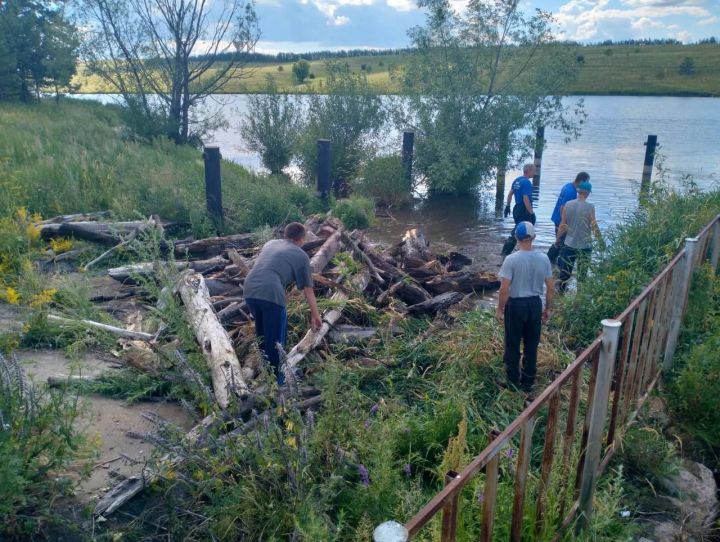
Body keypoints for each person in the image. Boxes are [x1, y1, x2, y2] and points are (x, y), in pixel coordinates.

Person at [243, 222, 322, 384]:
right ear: (301, 239)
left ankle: (267, 371)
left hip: (249, 289)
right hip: (271, 292)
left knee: (263, 334)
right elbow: (308, 290)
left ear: (285, 235)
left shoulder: (270, 243)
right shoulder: (301, 255)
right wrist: (316, 315)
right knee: (277, 340)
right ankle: (278, 382)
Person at [496, 221, 554, 393]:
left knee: (512, 343)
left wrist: (500, 310)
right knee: (531, 343)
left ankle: (513, 381)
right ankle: (528, 382)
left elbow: (504, 289)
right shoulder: (544, 259)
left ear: (516, 238)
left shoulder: (511, 260)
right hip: (535, 304)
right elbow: (551, 288)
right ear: (533, 237)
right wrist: (548, 308)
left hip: (516, 305)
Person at [556, 180, 602, 292]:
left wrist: (557, 240)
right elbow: (594, 225)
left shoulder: (568, 204)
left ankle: (560, 298)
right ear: (587, 193)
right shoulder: (590, 207)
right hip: (585, 246)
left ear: (578, 191)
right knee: (582, 276)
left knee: (564, 273)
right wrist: (600, 241)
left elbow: (562, 225)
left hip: (569, 244)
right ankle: (579, 300)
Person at [547, 171, 590, 264]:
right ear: (582, 181)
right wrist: (566, 224)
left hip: (556, 218)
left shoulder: (567, 186)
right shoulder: (571, 192)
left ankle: (551, 262)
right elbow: (563, 208)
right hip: (562, 221)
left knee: (559, 243)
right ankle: (558, 267)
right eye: (586, 182)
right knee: (564, 246)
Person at [501, 163, 536, 256]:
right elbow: (526, 199)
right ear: (528, 171)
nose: (534, 173)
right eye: (534, 171)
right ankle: (506, 252)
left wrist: (507, 206)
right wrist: (531, 213)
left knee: (519, 227)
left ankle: (514, 250)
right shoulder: (527, 183)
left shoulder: (517, 180)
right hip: (523, 209)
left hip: (516, 208)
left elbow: (510, 194)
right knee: (522, 229)